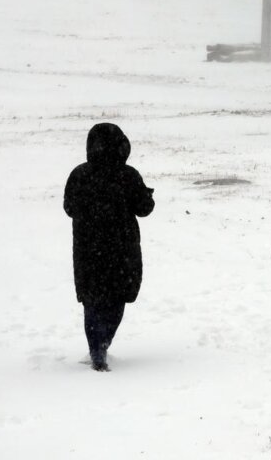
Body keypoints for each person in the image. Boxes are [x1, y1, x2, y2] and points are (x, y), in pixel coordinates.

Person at [63, 122, 155, 372]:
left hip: (88, 252)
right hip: (121, 253)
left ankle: (96, 348)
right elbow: (144, 209)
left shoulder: (79, 175)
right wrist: (146, 195)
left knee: (92, 302)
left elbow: (69, 208)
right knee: (116, 301)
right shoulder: (128, 175)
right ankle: (102, 345)